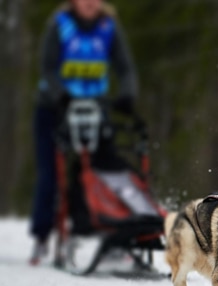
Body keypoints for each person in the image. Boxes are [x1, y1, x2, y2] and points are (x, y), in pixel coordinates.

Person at [29, 0, 138, 265]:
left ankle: (112, 233)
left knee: (106, 169)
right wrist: (60, 95)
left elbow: (125, 68)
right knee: (51, 174)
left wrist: (127, 94)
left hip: (95, 108)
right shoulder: (60, 25)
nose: (90, 3)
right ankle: (42, 236)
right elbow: (47, 67)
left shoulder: (108, 27)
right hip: (54, 109)